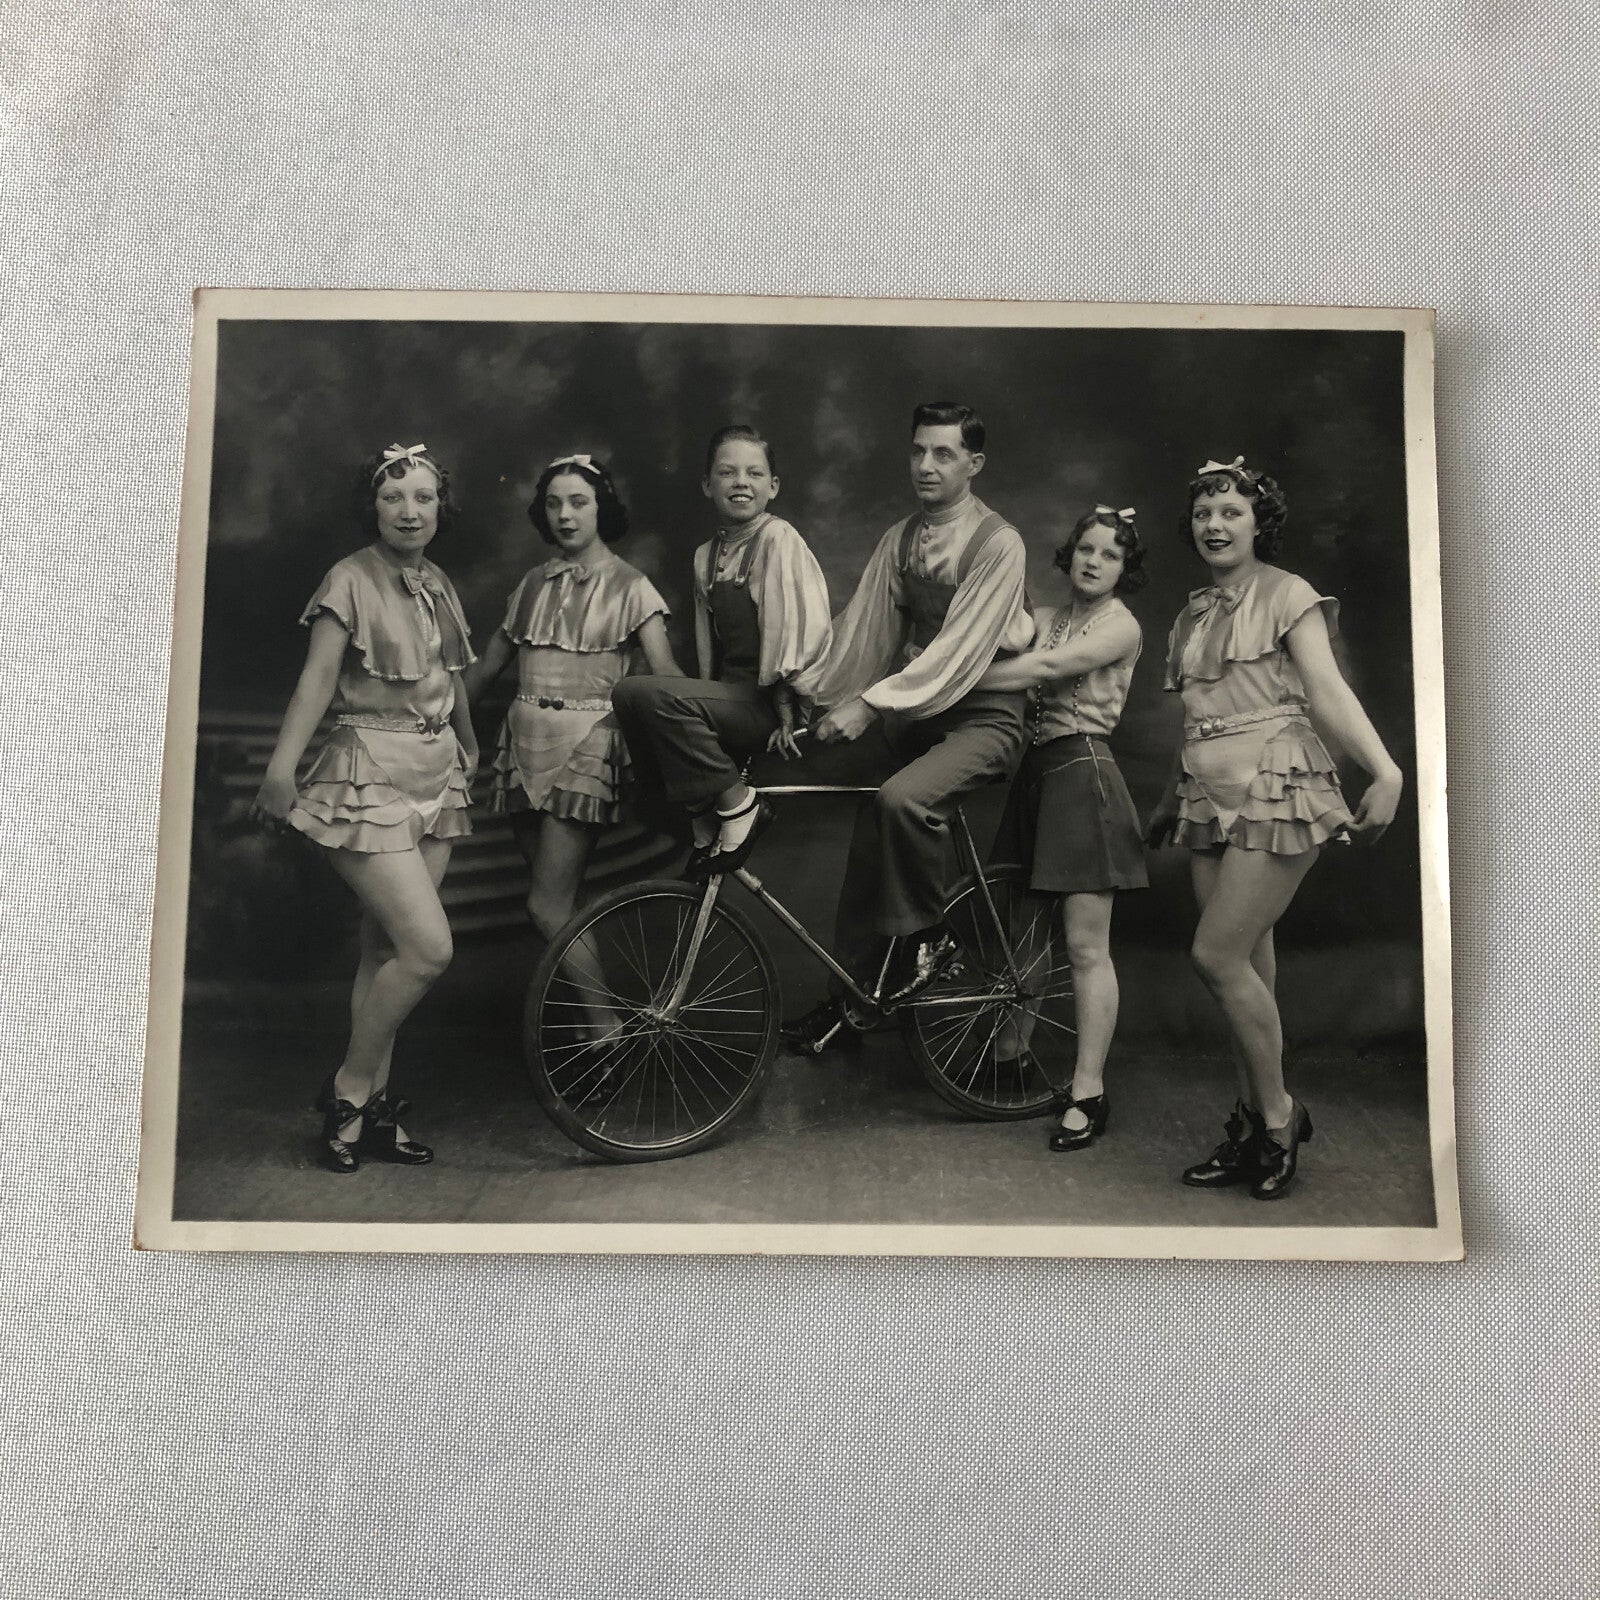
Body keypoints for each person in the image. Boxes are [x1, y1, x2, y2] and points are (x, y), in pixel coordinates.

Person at [1146, 456, 1403, 1200]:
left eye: (1231, 512)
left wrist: (1385, 772)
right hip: (1205, 796)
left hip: (1276, 785)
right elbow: (1198, 719)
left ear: (1260, 523)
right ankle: (1252, 1124)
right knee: (1246, 974)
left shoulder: (1288, 594)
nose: (1215, 524)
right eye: (1204, 513)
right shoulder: (1191, 616)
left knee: (1215, 956)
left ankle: (1283, 1117)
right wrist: (1167, 799)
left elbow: (1327, 690)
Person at [251, 442, 478, 1174]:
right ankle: (348, 1089)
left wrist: (470, 743)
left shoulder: (437, 581)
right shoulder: (348, 578)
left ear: (440, 508)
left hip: (436, 776)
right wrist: (281, 768)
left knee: (385, 952)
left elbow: (450, 674)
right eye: (393, 497)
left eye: (423, 498)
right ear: (372, 507)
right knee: (428, 950)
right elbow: (317, 679)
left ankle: (371, 1109)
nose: (409, 511)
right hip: (366, 773)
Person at [785, 400, 1033, 1051]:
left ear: (974, 464)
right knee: (870, 834)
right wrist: (802, 694)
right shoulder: (900, 539)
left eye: (944, 453)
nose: (926, 465)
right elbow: (861, 637)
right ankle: (852, 1001)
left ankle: (933, 939)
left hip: (988, 717)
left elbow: (955, 655)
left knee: (902, 800)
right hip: (921, 714)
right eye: (919, 450)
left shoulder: (998, 543)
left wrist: (869, 706)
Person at [981, 505, 1149, 1150]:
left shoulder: (1121, 627)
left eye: (1110, 554)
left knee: (1084, 946)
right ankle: (1009, 1056)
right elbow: (995, 632)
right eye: (1086, 548)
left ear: (1125, 568)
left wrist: (952, 685)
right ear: (1069, 553)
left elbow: (1046, 670)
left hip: (1084, 776)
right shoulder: (1046, 618)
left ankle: (1088, 1092)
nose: (1094, 561)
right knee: (1022, 934)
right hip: (1036, 776)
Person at [464, 454, 679, 946]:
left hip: (586, 752)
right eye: (554, 503)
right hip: (521, 748)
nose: (565, 515)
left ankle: (596, 1003)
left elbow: (665, 674)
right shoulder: (532, 583)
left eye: (579, 502)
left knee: (547, 904)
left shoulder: (632, 587)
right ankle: (570, 998)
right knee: (559, 903)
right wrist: (437, 723)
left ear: (601, 508)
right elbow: (486, 668)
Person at [610, 424, 832, 872]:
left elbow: (797, 628)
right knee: (629, 698)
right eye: (727, 473)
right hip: (729, 698)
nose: (741, 483)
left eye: (754, 473)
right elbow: (708, 645)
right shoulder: (704, 556)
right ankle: (700, 808)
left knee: (642, 692)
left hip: (769, 701)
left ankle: (738, 805)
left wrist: (787, 705)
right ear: (707, 485)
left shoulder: (778, 539)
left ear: (773, 486)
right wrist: (701, 701)